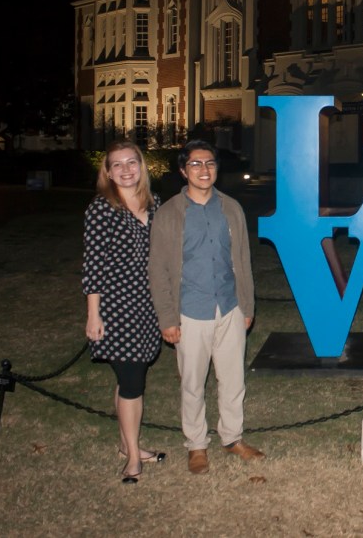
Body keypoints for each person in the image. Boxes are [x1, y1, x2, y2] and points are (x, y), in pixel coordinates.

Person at [149, 139, 263, 475]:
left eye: (210, 163)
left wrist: (247, 305)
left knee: (233, 379)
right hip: (190, 310)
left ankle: (232, 437)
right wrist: (167, 318)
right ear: (183, 171)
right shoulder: (170, 213)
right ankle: (196, 445)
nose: (204, 170)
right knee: (192, 382)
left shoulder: (231, 208)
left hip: (228, 306)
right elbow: (158, 269)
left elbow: (242, 259)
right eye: (196, 164)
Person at [83, 140, 166, 484]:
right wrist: (94, 314)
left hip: (149, 306)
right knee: (133, 382)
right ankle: (133, 457)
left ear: (141, 166)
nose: (126, 169)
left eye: (131, 162)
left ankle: (124, 442)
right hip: (116, 309)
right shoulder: (101, 209)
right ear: (108, 172)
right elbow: (93, 265)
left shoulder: (155, 204)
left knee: (128, 378)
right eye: (117, 165)